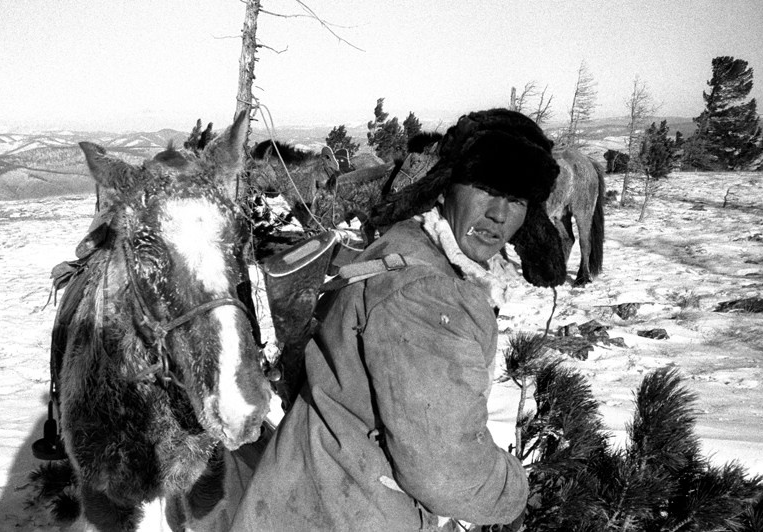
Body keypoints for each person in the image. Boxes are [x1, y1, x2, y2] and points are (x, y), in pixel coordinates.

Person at [230, 108, 565, 531]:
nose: (499, 214)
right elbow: (446, 472)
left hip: (308, 496)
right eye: (486, 189)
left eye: (516, 200)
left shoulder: (404, 243)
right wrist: (512, 495)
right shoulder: (431, 295)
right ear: (447, 186)